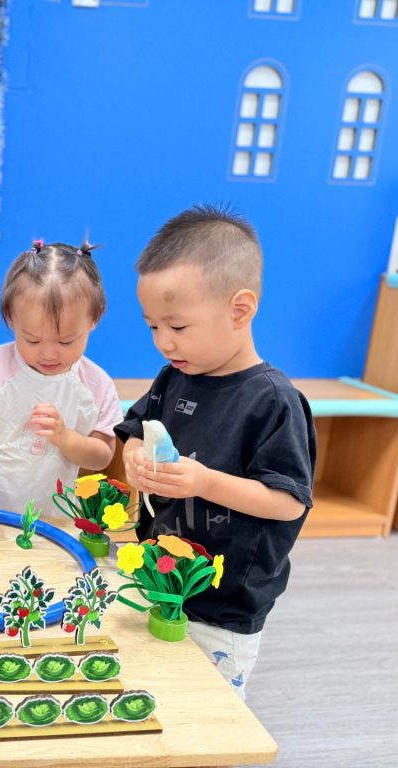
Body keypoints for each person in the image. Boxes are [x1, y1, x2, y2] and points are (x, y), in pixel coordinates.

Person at [116, 204, 316, 699]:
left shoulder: (273, 401)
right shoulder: (175, 377)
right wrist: (135, 457)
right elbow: (136, 430)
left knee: (208, 708)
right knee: (149, 694)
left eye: (178, 327)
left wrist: (204, 482)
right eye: (152, 327)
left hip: (223, 608)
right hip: (158, 576)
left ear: (240, 310)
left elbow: (288, 502)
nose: (164, 343)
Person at [0, 239, 121, 548]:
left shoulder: (96, 384)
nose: (49, 354)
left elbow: (102, 456)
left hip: (56, 523)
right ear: (11, 319)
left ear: (95, 318)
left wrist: (66, 438)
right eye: (32, 339)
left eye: (66, 341)